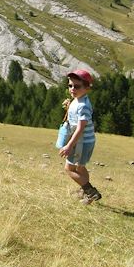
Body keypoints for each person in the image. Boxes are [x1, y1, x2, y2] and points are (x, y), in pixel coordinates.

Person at [59, 69, 101, 205]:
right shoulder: (78, 100)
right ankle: (86, 193)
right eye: (70, 85)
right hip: (85, 141)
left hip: (81, 143)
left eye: (77, 86)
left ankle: (91, 192)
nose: (72, 89)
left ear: (87, 88)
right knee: (80, 168)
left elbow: (80, 128)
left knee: (68, 169)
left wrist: (69, 146)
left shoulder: (82, 106)